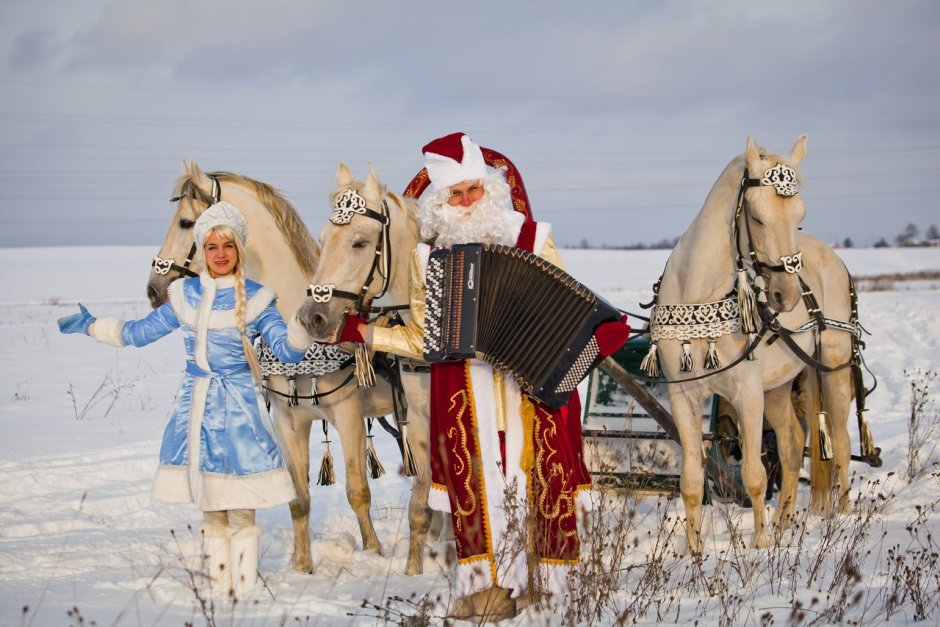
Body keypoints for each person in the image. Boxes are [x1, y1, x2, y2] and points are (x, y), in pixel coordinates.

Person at [339, 132, 630, 618]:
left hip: (530, 386)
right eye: (454, 194)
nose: (467, 201)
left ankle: (544, 583)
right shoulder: (428, 260)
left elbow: (567, 307)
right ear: (440, 202)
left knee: (535, 477)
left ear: (491, 189)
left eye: (473, 189)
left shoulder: (533, 238)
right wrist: (367, 333)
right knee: (477, 484)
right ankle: (486, 588)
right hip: (465, 389)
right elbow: (421, 338)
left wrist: (597, 335)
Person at [57, 201, 311, 599]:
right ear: (202, 251)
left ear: (239, 250)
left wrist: (304, 324)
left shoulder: (259, 298)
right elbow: (140, 333)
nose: (221, 253)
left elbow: (288, 350)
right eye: (212, 246)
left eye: (228, 245)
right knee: (210, 501)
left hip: (241, 410)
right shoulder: (184, 294)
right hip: (196, 409)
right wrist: (93, 326)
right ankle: (219, 587)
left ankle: (243, 588)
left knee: (242, 501)